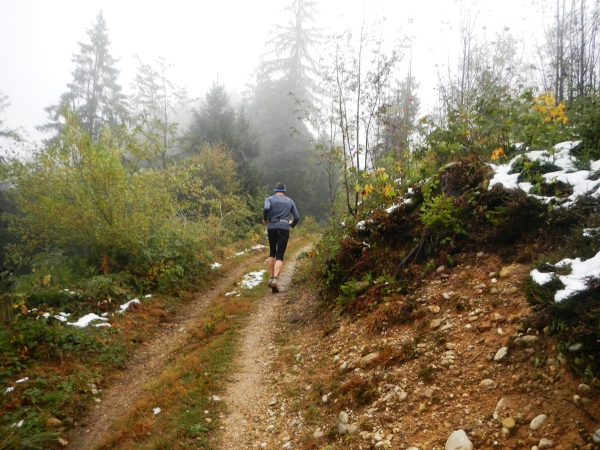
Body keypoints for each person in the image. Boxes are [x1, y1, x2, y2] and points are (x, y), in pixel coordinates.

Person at [262, 182, 300, 293]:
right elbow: (297, 217)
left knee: (272, 252)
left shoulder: (269, 199)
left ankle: (270, 278)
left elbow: (266, 208)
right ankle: (275, 279)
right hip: (284, 228)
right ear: (284, 191)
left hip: (272, 227)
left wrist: (265, 219)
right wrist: (291, 225)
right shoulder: (290, 201)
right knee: (280, 254)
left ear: (275, 190)